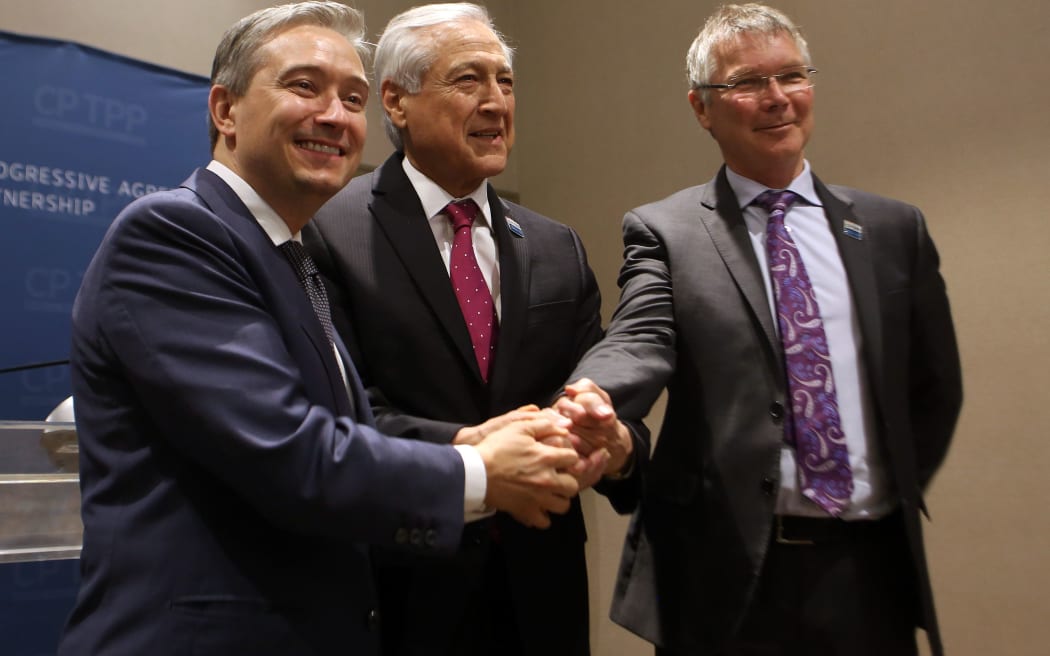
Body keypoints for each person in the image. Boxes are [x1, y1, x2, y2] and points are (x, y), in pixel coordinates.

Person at [56, 3, 583, 655]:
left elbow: (339, 437)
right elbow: (288, 451)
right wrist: (475, 472)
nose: (335, 116)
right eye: (305, 86)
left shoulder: (286, 255)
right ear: (225, 110)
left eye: (352, 97)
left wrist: (467, 439)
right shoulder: (174, 235)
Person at [561, 4, 963, 655]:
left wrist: (887, 484)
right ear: (701, 108)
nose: (777, 99)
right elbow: (639, 337)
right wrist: (588, 398)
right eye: (748, 82)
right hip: (726, 577)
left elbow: (934, 387)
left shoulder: (894, 230)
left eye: (792, 77)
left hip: (870, 571)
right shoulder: (669, 231)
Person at [303, 4, 640, 655]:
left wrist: (611, 438)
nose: (495, 102)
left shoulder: (555, 246)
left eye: (505, 82)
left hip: (543, 595)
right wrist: (474, 453)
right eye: (468, 81)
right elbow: (339, 415)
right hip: (403, 591)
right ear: (396, 102)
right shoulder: (328, 230)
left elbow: (594, 386)